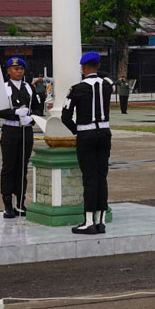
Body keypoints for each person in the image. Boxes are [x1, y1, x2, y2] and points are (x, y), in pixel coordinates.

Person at [62, 52, 114, 235]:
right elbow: (108, 78)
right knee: (102, 177)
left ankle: (89, 221)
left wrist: (76, 129)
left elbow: (65, 117)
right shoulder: (107, 86)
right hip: (105, 134)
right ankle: (100, 221)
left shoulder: (77, 89)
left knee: (90, 178)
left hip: (86, 135)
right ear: (98, 67)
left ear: (83, 68)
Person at [0, 56, 44, 218]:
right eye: (15, 69)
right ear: (8, 71)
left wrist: (32, 118)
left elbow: (38, 108)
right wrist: (14, 113)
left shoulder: (29, 88)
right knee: (9, 168)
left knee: (22, 167)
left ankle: (20, 203)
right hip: (10, 131)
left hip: (25, 131)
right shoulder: (3, 88)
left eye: (21, 69)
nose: (19, 71)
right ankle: (7, 204)